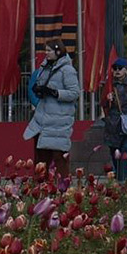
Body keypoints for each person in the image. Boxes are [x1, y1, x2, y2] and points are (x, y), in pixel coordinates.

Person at [25, 37, 80, 167]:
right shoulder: (45, 68)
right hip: (43, 118)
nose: (46, 53)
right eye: (46, 50)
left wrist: (55, 93)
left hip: (58, 121)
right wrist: (39, 90)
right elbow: (39, 84)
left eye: (49, 50)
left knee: (59, 157)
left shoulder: (68, 70)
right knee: (41, 158)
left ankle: (62, 186)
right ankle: (41, 186)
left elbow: (74, 93)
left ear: (58, 51)